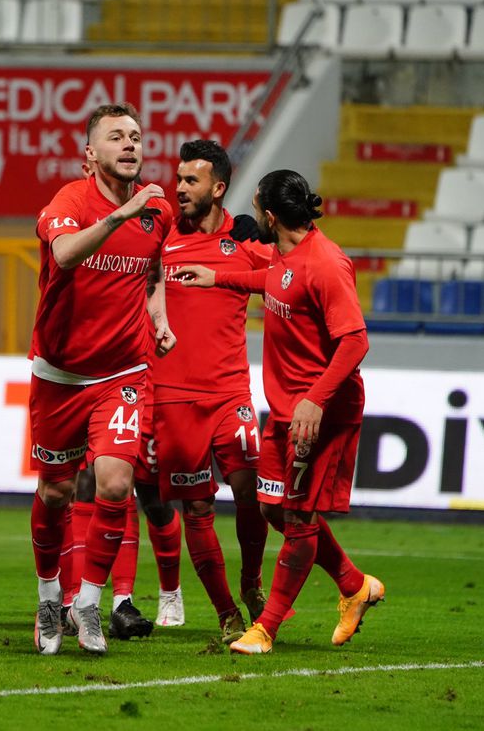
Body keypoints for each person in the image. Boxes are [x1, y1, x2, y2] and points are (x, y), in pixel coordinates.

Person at [176, 169, 384, 655]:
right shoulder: (285, 257)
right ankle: (354, 584)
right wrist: (218, 278)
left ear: (270, 217)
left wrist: (316, 399)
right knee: (273, 508)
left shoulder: (327, 264)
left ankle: (265, 629)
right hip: (286, 410)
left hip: (323, 412)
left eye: (255, 208)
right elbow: (270, 280)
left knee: (299, 514)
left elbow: (355, 341)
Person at [29, 103, 175, 655]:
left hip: (125, 372)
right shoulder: (71, 201)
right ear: (91, 154)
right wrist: (118, 215)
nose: (130, 145)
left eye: (136, 136)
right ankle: (50, 596)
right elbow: (64, 254)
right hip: (59, 374)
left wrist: (158, 317)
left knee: (115, 483)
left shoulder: (155, 213)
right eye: (116, 137)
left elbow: (155, 270)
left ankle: (89, 603)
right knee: (56, 490)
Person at [153, 140, 274, 644]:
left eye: (191, 181)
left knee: (252, 492)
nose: (180, 188)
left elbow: (288, 278)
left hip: (230, 393)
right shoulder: (160, 239)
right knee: (197, 508)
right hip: (172, 396)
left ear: (218, 188)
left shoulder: (243, 240)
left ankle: (250, 578)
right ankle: (227, 613)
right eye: (178, 179)